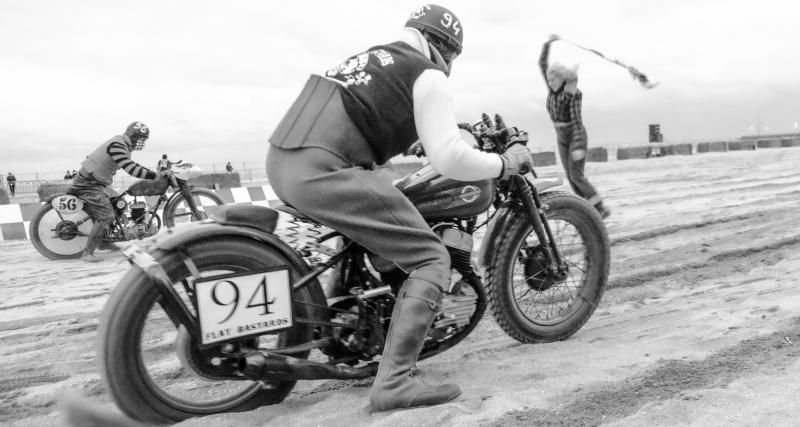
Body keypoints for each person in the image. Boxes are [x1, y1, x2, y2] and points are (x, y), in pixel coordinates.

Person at [266, 4, 532, 412]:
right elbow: (449, 161)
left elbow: (365, 115)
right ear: (445, 47)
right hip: (321, 170)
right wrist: (503, 163)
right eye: (454, 57)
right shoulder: (428, 73)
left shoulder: (375, 58)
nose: (451, 66)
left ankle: (382, 317)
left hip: (285, 161)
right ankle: (393, 383)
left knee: (387, 226)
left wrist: (423, 136)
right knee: (430, 257)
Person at [71, 121, 169, 262]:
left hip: (98, 182)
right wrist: (155, 176)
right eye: (141, 139)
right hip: (88, 183)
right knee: (106, 216)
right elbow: (131, 168)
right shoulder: (117, 145)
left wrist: (154, 174)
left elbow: (133, 165)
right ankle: (87, 253)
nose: (141, 143)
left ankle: (103, 242)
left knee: (119, 203)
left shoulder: (122, 145)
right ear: (133, 137)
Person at [539, 34, 610, 219]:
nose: (550, 82)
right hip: (561, 137)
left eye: (553, 79)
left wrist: (578, 146)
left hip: (575, 135)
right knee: (571, 178)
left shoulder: (571, 95)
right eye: (548, 79)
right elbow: (542, 64)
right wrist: (548, 44)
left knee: (577, 175)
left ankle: (600, 207)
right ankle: (586, 209)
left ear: (563, 79)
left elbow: (577, 122)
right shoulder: (552, 92)